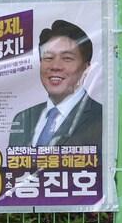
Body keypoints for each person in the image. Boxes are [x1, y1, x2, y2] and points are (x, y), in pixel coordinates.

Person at [8, 19, 103, 149]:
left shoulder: (102, 119)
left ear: (86, 68)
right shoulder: (23, 119)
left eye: (67, 58)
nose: (55, 66)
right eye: (48, 58)